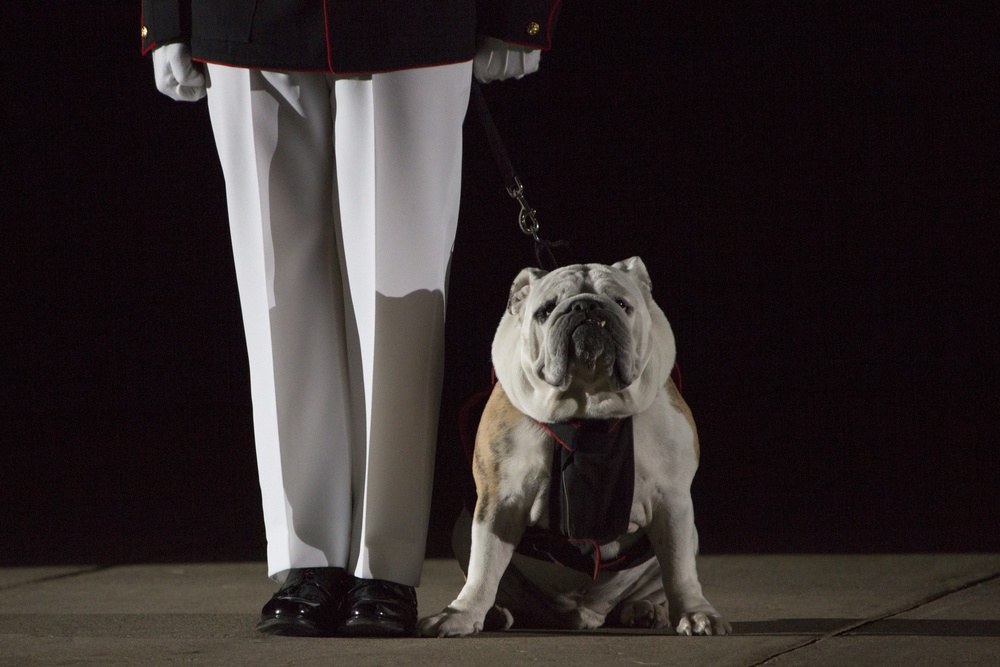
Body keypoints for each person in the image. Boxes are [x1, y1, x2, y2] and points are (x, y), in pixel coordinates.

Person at [141, 0, 560, 638]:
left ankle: (384, 564)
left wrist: (516, 12)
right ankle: (307, 560)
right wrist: (165, 17)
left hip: (411, 23)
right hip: (245, 16)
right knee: (275, 292)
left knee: (401, 289)